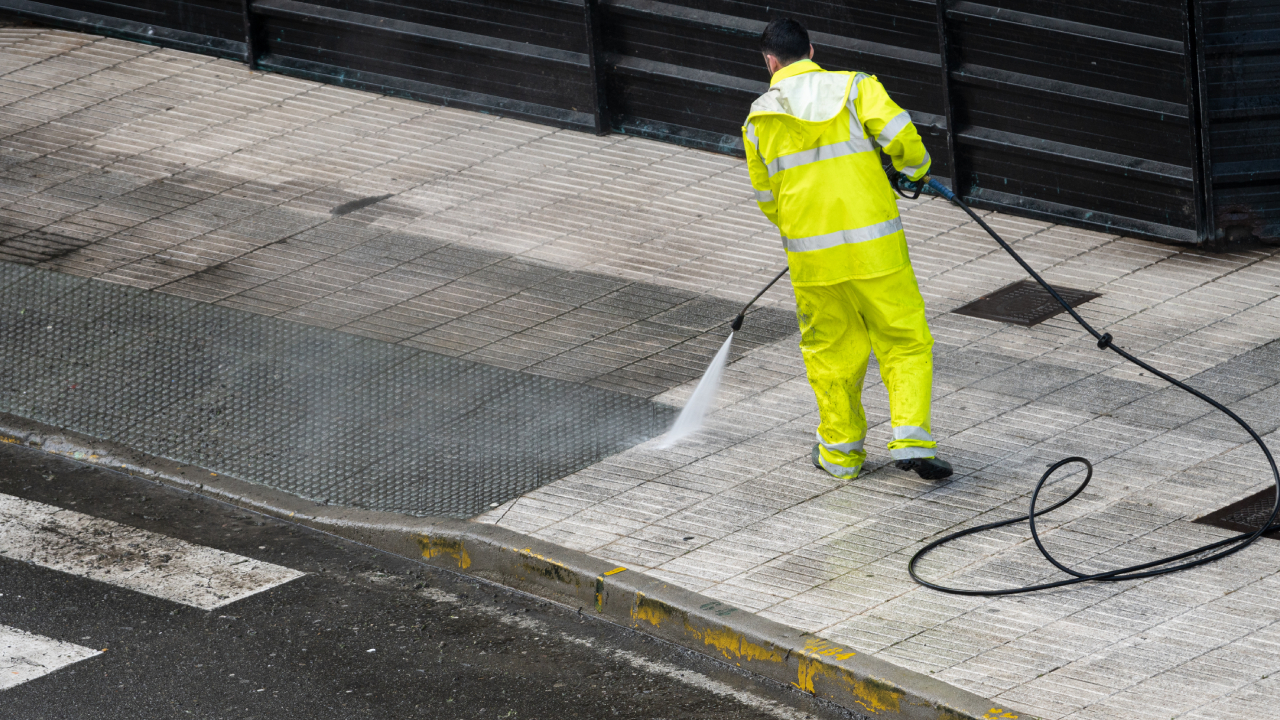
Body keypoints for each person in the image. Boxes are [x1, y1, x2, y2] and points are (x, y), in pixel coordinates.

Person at [743, 17, 953, 481]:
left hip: (814, 260)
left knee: (831, 352)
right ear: (812, 51)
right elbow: (902, 136)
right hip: (877, 251)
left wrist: (807, 230)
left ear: (771, 62)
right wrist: (913, 171)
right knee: (904, 340)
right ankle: (912, 438)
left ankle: (839, 457)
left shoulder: (758, 118)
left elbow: (766, 199)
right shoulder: (856, 87)